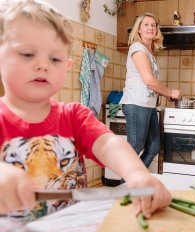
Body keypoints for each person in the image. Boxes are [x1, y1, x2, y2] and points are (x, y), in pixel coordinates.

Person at [0, 0, 170, 219]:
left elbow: (109, 143)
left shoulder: (74, 116)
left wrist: (137, 173)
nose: (42, 65)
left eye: (54, 58)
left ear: (67, 66)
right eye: (26, 54)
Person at [119, 13, 181, 168]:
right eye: (146, 24)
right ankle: (126, 186)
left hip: (148, 105)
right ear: (139, 29)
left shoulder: (149, 52)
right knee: (135, 147)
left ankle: (135, 180)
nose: (150, 28)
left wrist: (164, 93)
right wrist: (169, 92)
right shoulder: (138, 48)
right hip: (136, 103)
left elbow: (150, 83)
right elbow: (148, 80)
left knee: (153, 147)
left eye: (153, 25)